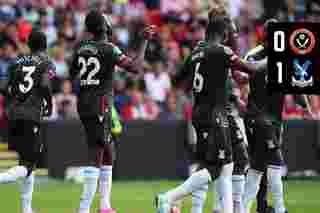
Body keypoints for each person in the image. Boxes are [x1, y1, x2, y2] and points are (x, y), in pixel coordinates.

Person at [155, 9, 266, 213]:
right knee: (216, 167)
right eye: (228, 33)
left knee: (226, 165)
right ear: (222, 32)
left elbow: (177, 81)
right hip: (216, 114)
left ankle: (224, 210)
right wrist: (273, 57)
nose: (229, 36)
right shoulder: (220, 51)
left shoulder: (196, 52)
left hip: (199, 111)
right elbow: (252, 69)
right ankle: (169, 198)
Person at [70, 10, 155, 213]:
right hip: (100, 104)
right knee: (97, 153)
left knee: (109, 150)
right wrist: (143, 42)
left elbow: (74, 72)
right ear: (104, 26)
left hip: (84, 102)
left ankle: (105, 206)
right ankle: (83, 209)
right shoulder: (109, 48)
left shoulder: (81, 48)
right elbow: (135, 68)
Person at [0, 30, 54, 213]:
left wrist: (14, 100)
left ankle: (27, 209)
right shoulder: (46, 62)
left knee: (27, 162)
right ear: (45, 45)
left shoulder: (15, 62)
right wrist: (49, 104)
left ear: (29, 45)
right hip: (31, 117)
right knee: (28, 165)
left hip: (14, 116)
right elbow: (46, 85)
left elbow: (2, 87)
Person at [242, 19, 288, 213]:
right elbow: (243, 78)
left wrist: (305, 104)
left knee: (257, 168)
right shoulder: (254, 55)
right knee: (275, 163)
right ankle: (280, 209)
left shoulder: (284, 56)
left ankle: (242, 209)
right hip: (259, 117)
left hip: (275, 118)